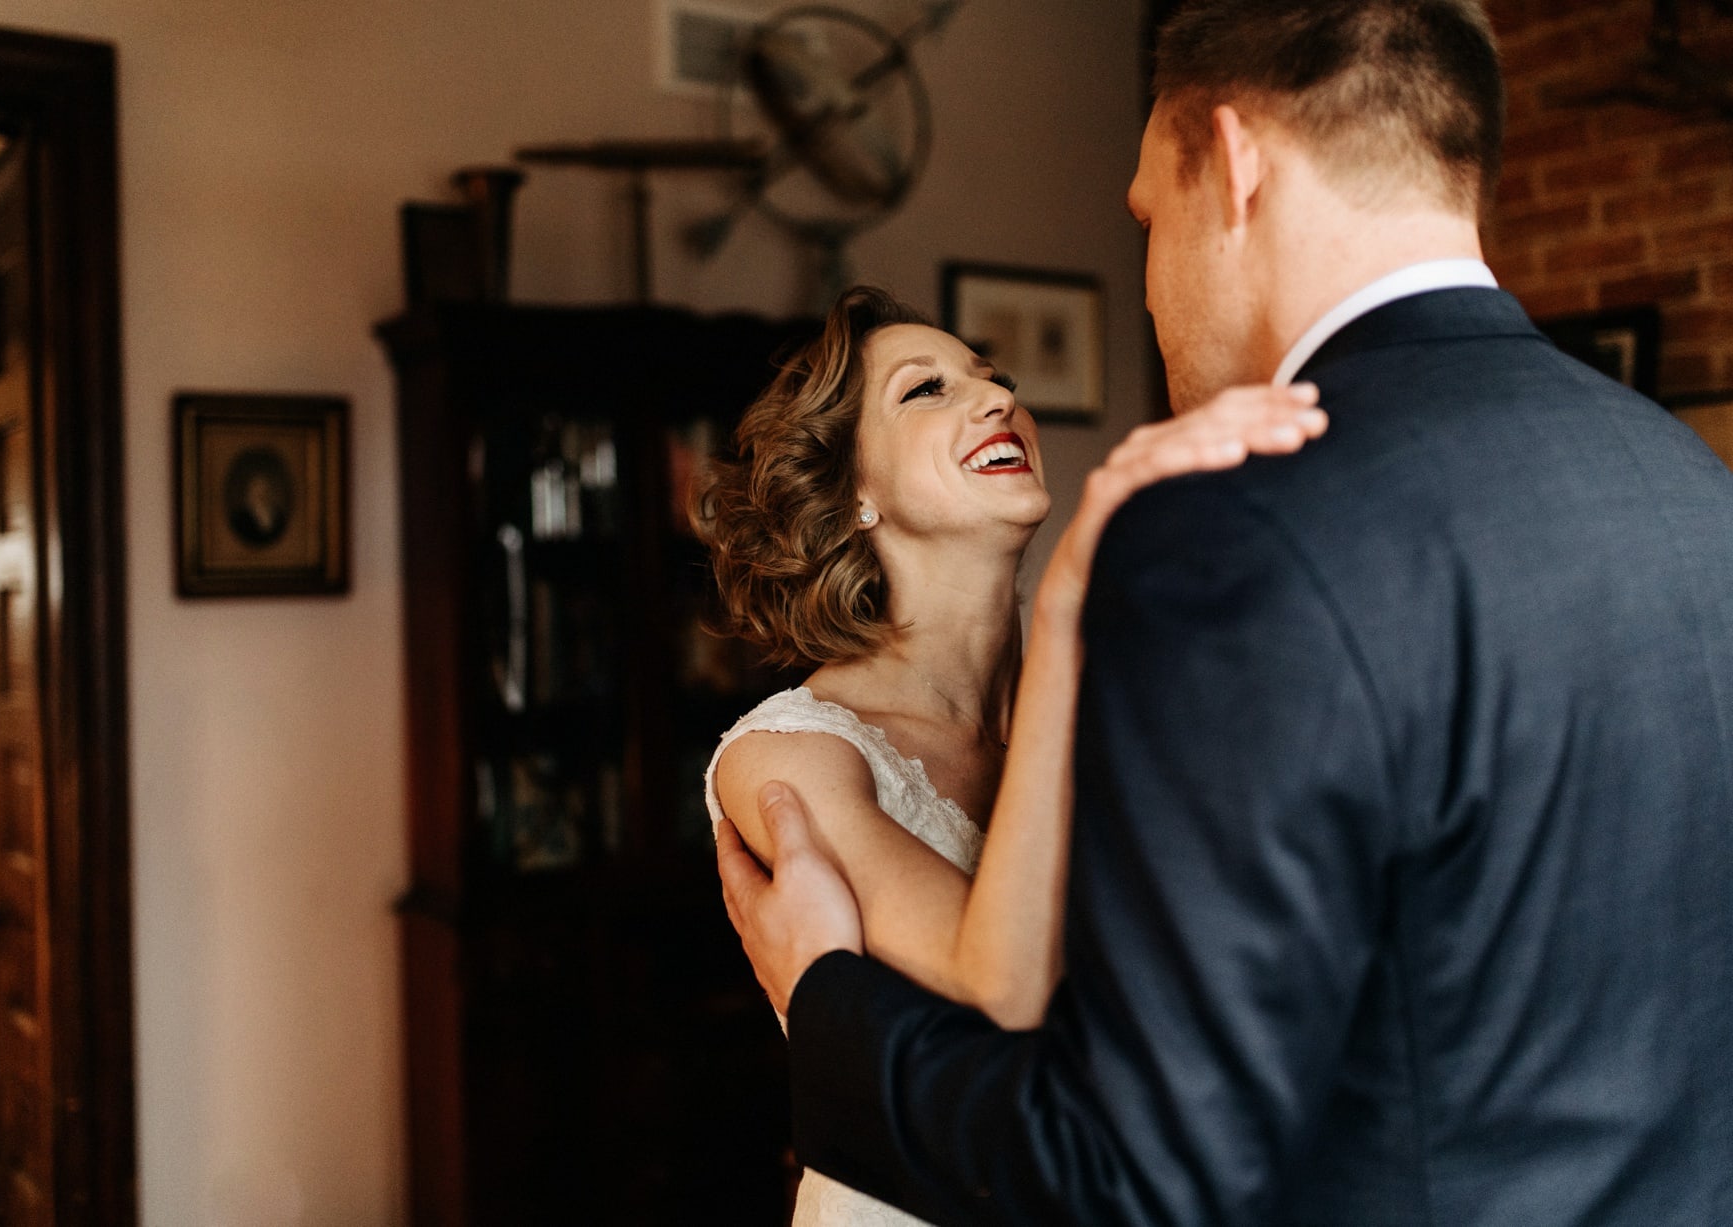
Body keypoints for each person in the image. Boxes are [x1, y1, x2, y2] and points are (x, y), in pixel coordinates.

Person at [715, 1, 1733, 1224]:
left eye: (1147, 216)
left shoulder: (1239, 538)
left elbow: (1143, 1170)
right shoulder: (1685, 481)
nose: (1147, 277)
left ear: (1237, 169)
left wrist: (822, 1001)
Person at [697, 285, 1328, 1226]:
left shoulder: (1124, 701)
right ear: (852, 492)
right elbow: (997, 986)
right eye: (927, 391)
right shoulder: (789, 756)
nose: (996, 401)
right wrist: (1075, 590)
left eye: (996, 380)